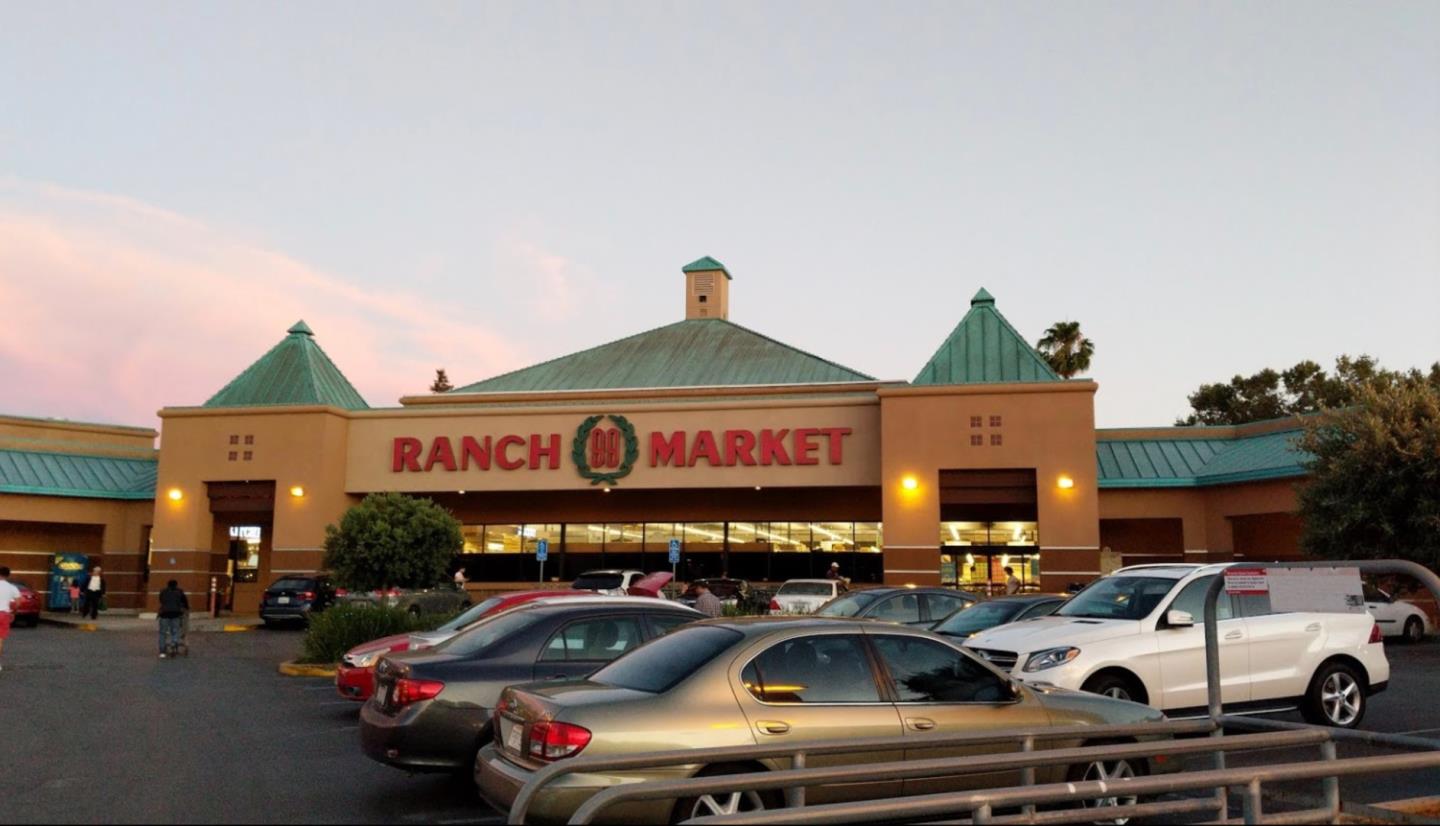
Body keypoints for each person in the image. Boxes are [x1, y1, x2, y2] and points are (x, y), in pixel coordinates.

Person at [157, 579, 189, 658]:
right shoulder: (180, 592)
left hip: (164, 614)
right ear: (176, 585)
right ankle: (173, 644)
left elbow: (161, 601)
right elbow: (185, 602)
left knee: (162, 633)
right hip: (176, 614)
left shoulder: (163, 591)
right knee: (175, 631)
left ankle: (162, 651)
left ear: (167, 585)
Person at [0, 566, 20, 672]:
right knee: (0, 640)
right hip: (4, 614)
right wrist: (13, 613)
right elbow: (17, 603)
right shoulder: (12, 588)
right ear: (8, 575)